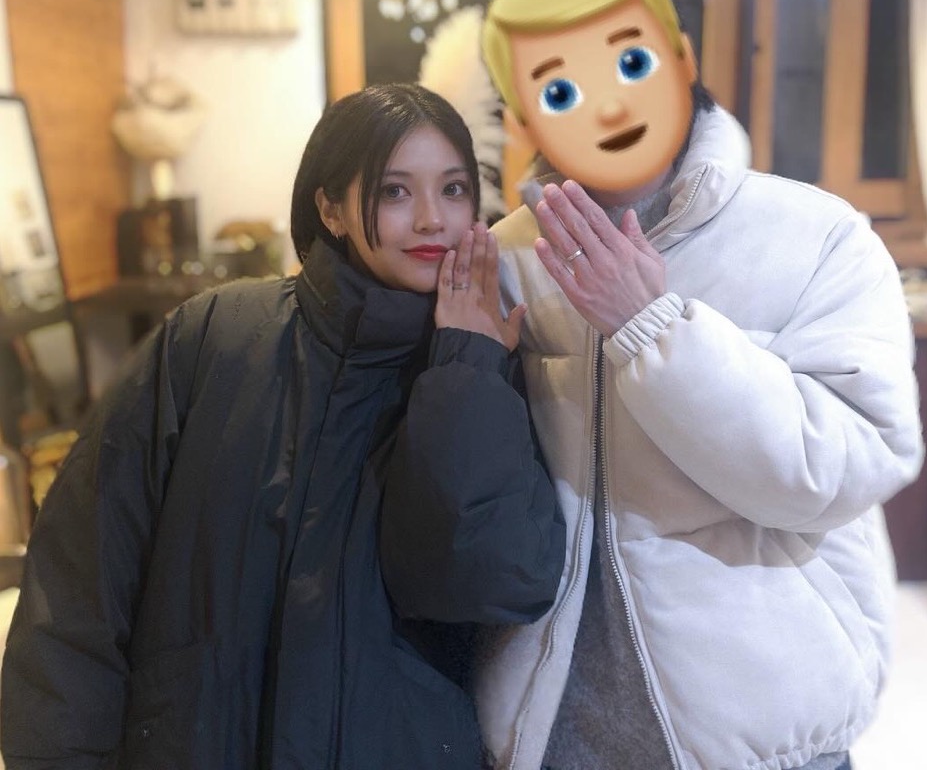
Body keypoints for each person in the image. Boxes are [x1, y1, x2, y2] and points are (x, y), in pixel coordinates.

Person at [1, 83, 565, 770]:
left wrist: (467, 368)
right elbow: (80, 580)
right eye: (394, 192)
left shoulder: (479, 363)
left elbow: (492, 585)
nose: (431, 219)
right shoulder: (211, 338)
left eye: (453, 190)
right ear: (330, 208)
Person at [473, 0, 924, 770]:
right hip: (553, 728)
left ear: (681, 60)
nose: (609, 105)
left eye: (632, 62)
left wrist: (651, 327)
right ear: (525, 119)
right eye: (560, 90)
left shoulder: (817, 236)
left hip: (766, 731)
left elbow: (854, 462)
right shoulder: (505, 260)